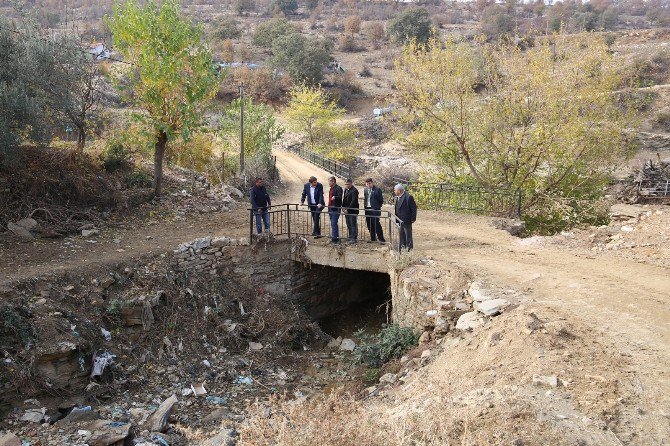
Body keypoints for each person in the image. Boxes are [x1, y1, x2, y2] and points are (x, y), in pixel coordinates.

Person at [394, 184, 417, 251]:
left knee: (408, 235)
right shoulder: (398, 196)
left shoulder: (408, 197)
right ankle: (402, 248)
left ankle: (409, 250)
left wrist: (413, 219)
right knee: (401, 234)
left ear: (399, 191)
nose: (394, 191)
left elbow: (414, 208)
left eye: (395, 190)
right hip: (400, 219)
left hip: (407, 219)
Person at [363, 178, 385, 243]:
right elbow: (366, 198)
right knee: (369, 225)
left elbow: (381, 200)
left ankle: (381, 239)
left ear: (372, 183)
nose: (368, 185)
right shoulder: (365, 190)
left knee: (376, 224)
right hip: (367, 209)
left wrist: (376, 207)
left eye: (369, 183)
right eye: (367, 184)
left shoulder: (377, 190)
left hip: (375, 210)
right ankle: (373, 238)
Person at [341, 178, 359, 244]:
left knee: (353, 224)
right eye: (346, 184)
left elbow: (354, 201)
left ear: (351, 183)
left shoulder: (354, 190)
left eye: (348, 184)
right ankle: (350, 236)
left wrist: (347, 209)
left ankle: (354, 238)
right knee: (348, 224)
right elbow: (344, 199)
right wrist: (343, 207)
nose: (347, 185)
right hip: (346, 210)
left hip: (353, 210)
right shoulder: (345, 189)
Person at [327, 176, 343, 244]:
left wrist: (335, 197)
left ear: (333, 181)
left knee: (334, 223)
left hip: (335, 208)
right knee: (333, 224)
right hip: (330, 208)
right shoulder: (331, 188)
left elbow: (340, 197)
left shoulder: (338, 188)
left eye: (330, 181)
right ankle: (335, 237)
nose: (329, 183)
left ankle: (335, 239)